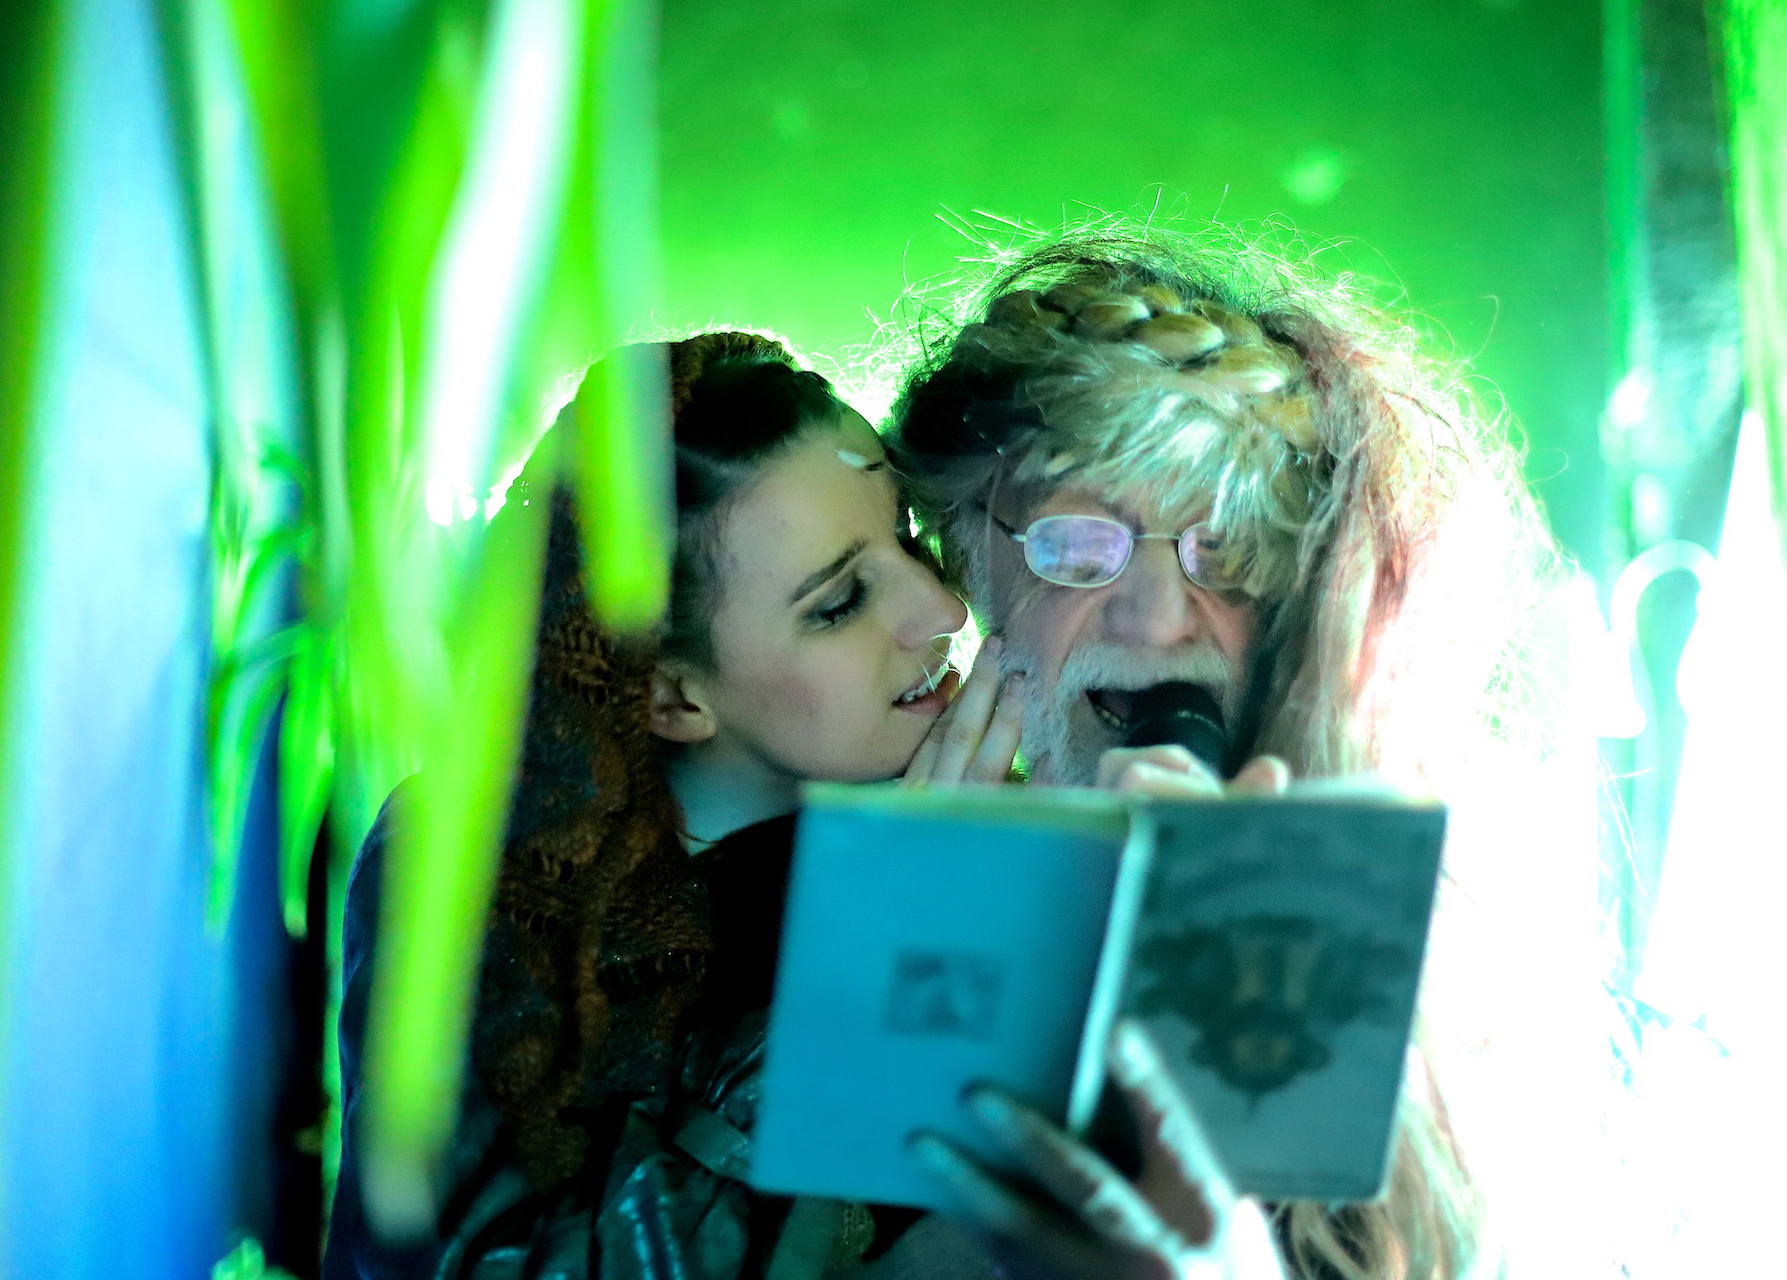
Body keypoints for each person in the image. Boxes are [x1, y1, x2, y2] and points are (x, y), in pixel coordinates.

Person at [324, 330, 1285, 1280]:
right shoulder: (476, 864)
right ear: (671, 695)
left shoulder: (1001, 827)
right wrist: (869, 979)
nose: (943, 613)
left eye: (908, 542)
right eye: (838, 603)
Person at [886, 227, 1553, 1279]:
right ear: (967, 565)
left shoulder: (1459, 982)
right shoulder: (854, 898)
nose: (1155, 618)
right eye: (1075, 542)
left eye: (1225, 546)